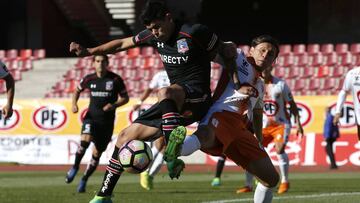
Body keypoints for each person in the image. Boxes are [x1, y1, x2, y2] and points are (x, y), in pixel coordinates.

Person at [69, 2, 240, 202]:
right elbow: (122, 44)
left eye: (157, 26)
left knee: (166, 91)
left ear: (169, 17)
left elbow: (226, 53)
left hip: (198, 98)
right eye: (150, 29)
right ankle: (104, 195)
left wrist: (235, 77)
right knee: (125, 136)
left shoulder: (194, 32)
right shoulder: (151, 35)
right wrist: (89, 51)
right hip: (173, 105)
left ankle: (171, 154)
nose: (154, 32)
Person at [178, 35, 281, 203]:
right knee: (204, 136)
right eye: (262, 50)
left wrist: (260, 141)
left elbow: (256, 114)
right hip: (219, 113)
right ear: (252, 50)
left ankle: (174, 148)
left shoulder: (260, 86)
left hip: (238, 129)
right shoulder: (239, 57)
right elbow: (212, 51)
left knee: (271, 179)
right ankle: (170, 148)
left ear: (273, 61)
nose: (265, 55)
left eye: (270, 54)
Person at [64, 54, 129, 193]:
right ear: (93, 63)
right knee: (84, 142)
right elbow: (77, 90)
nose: (100, 63)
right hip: (91, 118)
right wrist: (74, 104)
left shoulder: (115, 79)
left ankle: (84, 179)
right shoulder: (89, 78)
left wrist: (113, 105)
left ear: (107, 63)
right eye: (97, 61)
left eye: (103, 61)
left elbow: (125, 98)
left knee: (96, 153)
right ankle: (75, 167)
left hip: (106, 123)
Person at [236, 64, 304, 194]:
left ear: (271, 68)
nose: (264, 70)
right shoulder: (256, 85)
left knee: (280, 149)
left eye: (267, 68)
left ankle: (285, 181)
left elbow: (292, 104)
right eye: (262, 69)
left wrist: (298, 124)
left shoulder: (281, 85)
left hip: (281, 125)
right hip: (262, 126)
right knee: (251, 152)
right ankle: (248, 185)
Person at [133, 69, 170, 190]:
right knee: (160, 144)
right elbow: (149, 89)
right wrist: (139, 102)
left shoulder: (180, 73)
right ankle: (145, 171)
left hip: (176, 112)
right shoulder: (159, 75)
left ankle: (149, 175)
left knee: (165, 150)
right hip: (162, 111)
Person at [334, 66, 360, 141]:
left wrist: (338, 112)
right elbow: (343, 92)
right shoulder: (352, 74)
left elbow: (343, 92)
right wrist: (337, 112)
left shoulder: (352, 74)